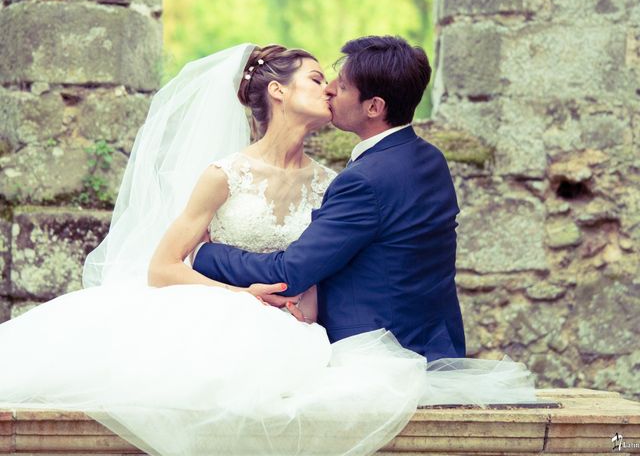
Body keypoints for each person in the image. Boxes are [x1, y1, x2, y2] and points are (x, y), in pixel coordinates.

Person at [0, 42, 535, 456]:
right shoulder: (225, 173)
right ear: (277, 92)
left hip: (312, 332)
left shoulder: (340, 180)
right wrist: (234, 287)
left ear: (373, 106)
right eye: (320, 79)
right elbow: (162, 268)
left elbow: (308, 265)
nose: (330, 91)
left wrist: (214, 257)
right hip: (228, 313)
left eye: (336, 84)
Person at [194, 35, 464, 362]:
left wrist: (206, 254)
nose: (330, 88)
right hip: (438, 347)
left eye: (344, 85)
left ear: (374, 107)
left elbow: (292, 271)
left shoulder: (363, 180)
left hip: (377, 357)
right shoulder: (430, 158)